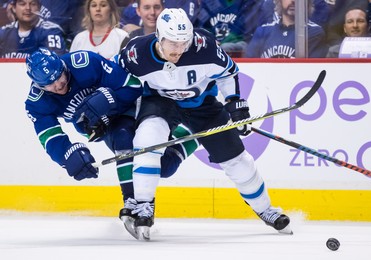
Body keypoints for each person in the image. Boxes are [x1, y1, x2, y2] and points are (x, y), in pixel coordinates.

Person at [118, 8, 292, 241]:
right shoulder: (136, 52)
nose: (179, 50)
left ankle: (266, 210)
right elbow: (113, 77)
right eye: (173, 43)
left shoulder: (204, 46)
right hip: (160, 102)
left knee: (237, 160)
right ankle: (144, 206)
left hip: (201, 106)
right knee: (147, 142)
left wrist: (235, 105)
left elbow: (228, 73)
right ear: (159, 36)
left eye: (183, 43)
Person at [24, 48, 198, 239]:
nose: (58, 85)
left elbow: (132, 86)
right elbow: (51, 139)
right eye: (49, 85)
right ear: (38, 86)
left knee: (126, 139)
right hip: (104, 126)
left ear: (63, 66)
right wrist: (67, 156)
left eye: (60, 77)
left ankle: (132, 201)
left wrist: (108, 99)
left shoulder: (85, 63)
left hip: (132, 108)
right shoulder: (36, 103)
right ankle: (193, 135)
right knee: (164, 167)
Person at [245, 0, 328, 58]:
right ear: (280, 1)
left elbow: (311, 72)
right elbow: (248, 66)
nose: (293, 1)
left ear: (307, 2)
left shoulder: (314, 32)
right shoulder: (263, 31)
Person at [0, 0, 67, 58]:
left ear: (39, 8)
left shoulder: (50, 31)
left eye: (33, 4)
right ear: (14, 8)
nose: (28, 8)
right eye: (22, 4)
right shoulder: (4, 33)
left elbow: (56, 65)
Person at [195, 0, 263, 57]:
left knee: (225, 47)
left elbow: (250, 35)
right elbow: (202, 30)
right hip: (214, 50)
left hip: (240, 48)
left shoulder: (248, 3)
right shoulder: (208, 3)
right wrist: (211, 40)